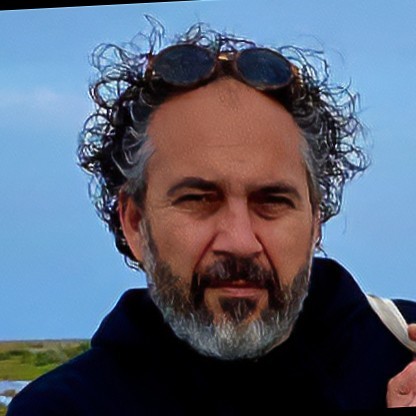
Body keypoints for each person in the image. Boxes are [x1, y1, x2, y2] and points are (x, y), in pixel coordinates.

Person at [7, 21, 416, 414]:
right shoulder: (63, 407)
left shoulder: (404, 356)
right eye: (199, 200)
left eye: (272, 201)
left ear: (315, 222)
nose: (239, 242)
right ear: (134, 223)